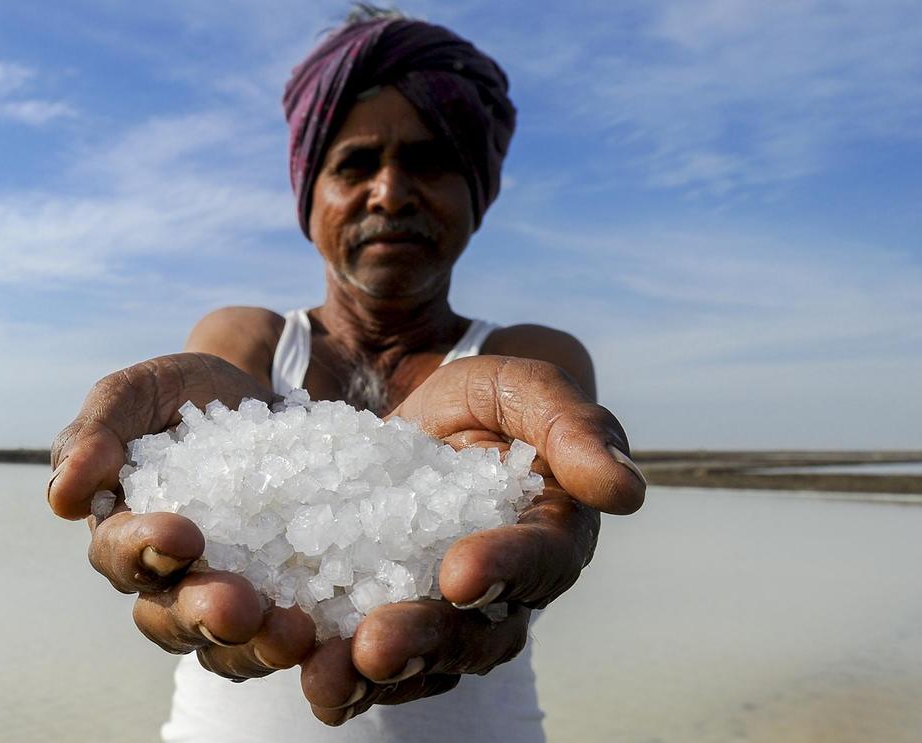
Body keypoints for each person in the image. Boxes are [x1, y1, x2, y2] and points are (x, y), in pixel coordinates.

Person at [46, 7, 645, 742]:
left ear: (476, 191)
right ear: (311, 192)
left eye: (428, 162)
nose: (390, 193)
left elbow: (546, 445)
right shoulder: (254, 337)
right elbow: (208, 402)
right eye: (355, 164)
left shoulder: (528, 352)